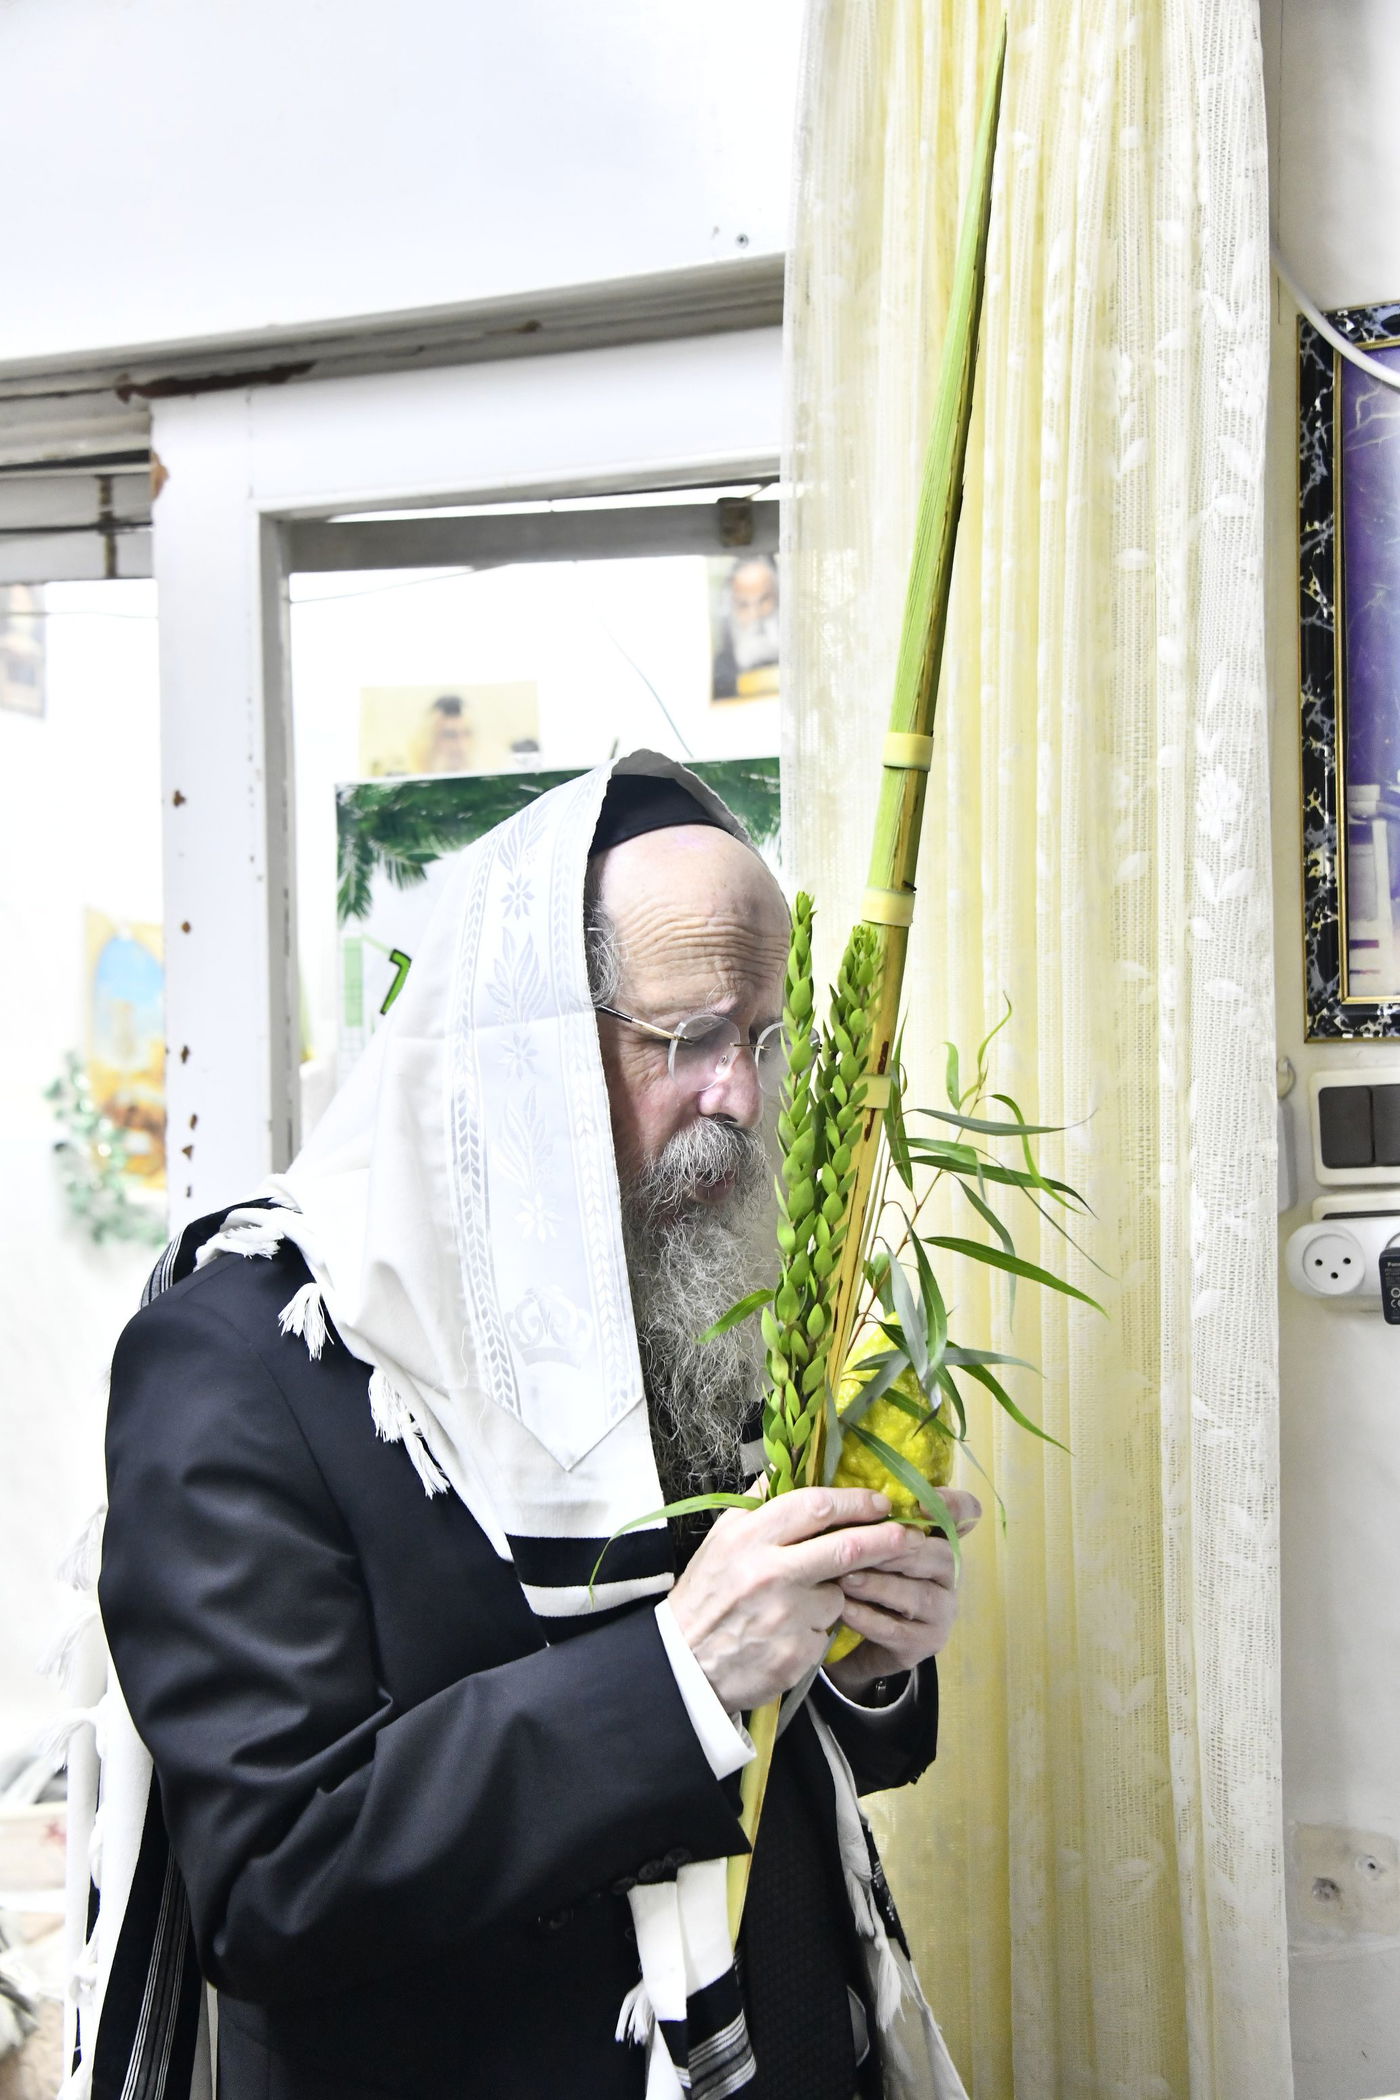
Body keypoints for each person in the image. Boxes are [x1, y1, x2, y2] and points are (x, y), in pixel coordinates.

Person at [89, 754, 979, 2100]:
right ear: (519, 1056)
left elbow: (783, 1749)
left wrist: (864, 1655)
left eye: (764, 1033)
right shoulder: (240, 1356)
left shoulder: (687, 1283)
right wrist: (681, 1669)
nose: (740, 1096)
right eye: (684, 1040)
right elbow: (277, 1878)